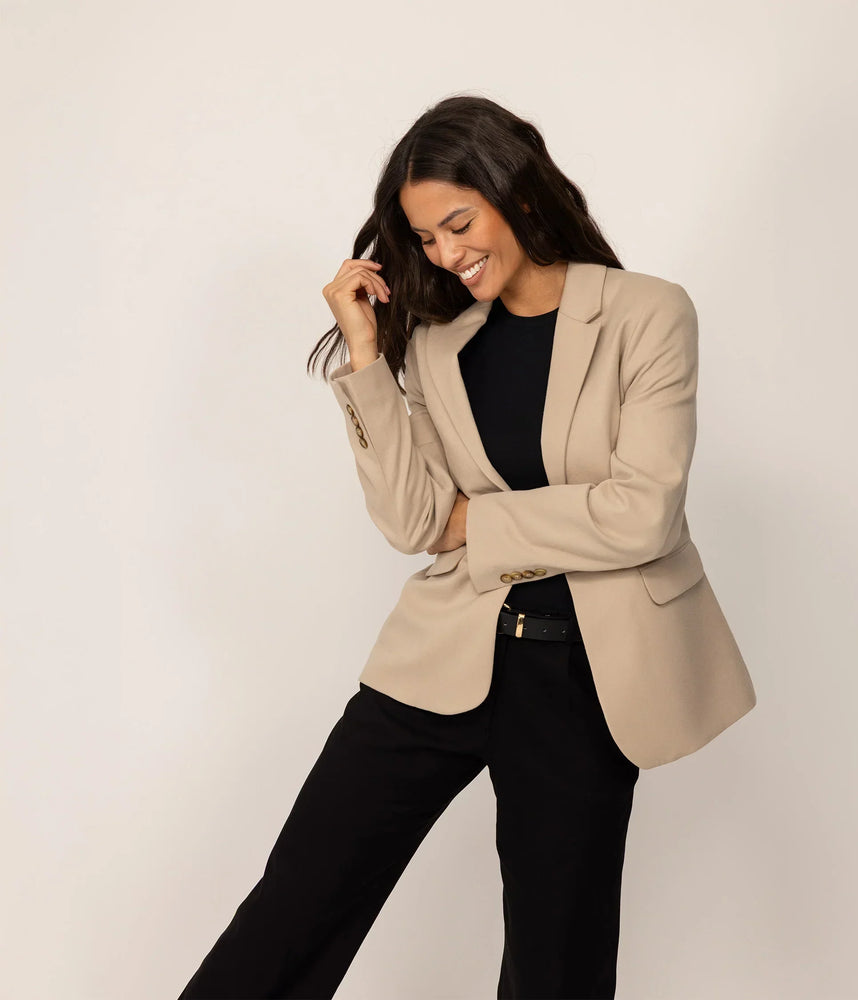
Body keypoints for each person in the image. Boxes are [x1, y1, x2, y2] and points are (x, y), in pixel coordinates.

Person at [177, 93, 757, 1000]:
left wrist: (480, 523)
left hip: (584, 675)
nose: (446, 255)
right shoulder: (440, 339)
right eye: (426, 238)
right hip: (441, 656)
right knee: (295, 905)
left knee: (553, 968)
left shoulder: (649, 314)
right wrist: (368, 353)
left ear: (517, 193)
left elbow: (642, 513)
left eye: (458, 223)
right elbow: (415, 522)